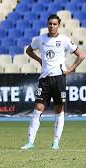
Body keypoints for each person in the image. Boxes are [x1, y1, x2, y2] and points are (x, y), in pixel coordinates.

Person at [21, 14, 85, 150]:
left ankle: (55, 142)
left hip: (59, 79)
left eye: (55, 24)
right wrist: (39, 60)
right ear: (47, 24)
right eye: (50, 23)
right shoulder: (40, 39)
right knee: (38, 108)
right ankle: (30, 142)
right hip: (44, 79)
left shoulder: (64, 40)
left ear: (58, 25)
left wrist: (71, 69)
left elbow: (81, 55)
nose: (52, 26)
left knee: (59, 109)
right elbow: (28, 50)